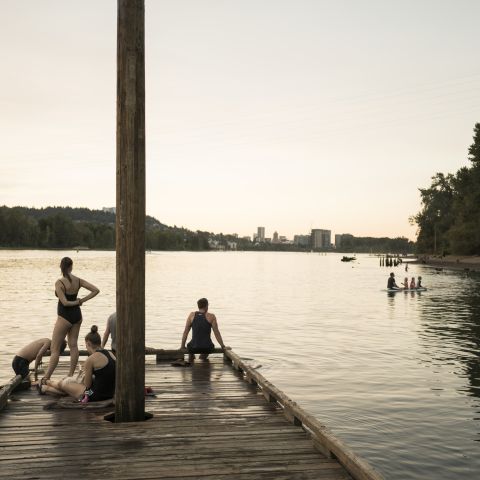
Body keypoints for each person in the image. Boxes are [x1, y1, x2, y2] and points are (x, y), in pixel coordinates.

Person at [41, 257, 99, 384]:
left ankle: (46, 378)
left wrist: (78, 301)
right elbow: (96, 290)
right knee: (73, 345)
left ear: (61, 267)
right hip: (77, 316)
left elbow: (65, 303)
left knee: (55, 349)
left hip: (64, 316)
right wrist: (81, 301)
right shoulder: (78, 280)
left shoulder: (59, 283)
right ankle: (71, 375)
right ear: (71, 266)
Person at [40, 325, 116, 402]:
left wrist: (85, 374)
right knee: (71, 389)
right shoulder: (111, 354)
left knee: (65, 384)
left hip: (93, 394)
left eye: (86, 346)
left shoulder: (91, 359)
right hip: (110, 393)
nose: (87, 348)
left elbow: (87, 385)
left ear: (88, 343)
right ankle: (45, 387)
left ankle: (47, 382)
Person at [181, 298, 227, 362]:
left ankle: (192, 360)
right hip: (207, 347)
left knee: (190, 348)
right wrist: (223, 346)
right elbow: (217, 333)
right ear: (206, 306)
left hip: (194, 347)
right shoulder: (211, 316)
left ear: (198, 306)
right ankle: (202, 359)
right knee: (205, 351)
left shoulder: (191, 315)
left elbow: (185, 332)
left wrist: (182, 346)